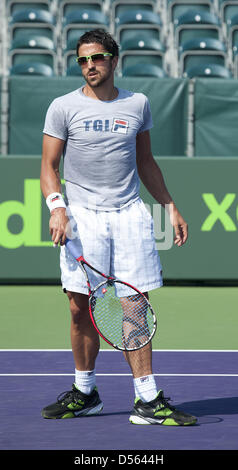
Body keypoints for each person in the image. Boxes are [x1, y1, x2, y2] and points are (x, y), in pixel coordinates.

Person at [40, 29, 197, 426]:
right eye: (82, 60)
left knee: (134, 306)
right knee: (80, 309)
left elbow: (146, 161)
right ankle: (85, 391)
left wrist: (171, 207)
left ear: (114, 59)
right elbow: (49, 167)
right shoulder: (63, 106)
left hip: (129, 216)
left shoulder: (138, 103)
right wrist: (56, 208)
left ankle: (147, 399)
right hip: (83, 218)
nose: (89, 66)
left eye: (97, 58)